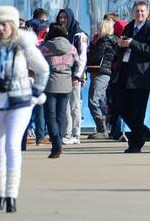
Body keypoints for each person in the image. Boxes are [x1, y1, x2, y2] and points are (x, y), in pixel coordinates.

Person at [0, 5, 50, 212]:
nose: (0, 28)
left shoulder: (24, 45)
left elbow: (43, 69)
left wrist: (35, 93)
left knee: (12, 145)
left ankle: (12, 195)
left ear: (13, 25)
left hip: (20, 102)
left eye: (4, 24)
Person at [117, 1, 150, 153]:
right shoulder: (129, 27)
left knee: (138, 111)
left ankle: (135, 144)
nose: (139, 14)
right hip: (126, 73)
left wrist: (133, 43)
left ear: (147, 13)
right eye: (137, 11)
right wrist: (121, 45)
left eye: (142, 11)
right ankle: (141, 130)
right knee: (120, 106)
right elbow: (123, 48)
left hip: (142, 76)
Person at [37, 23, 78, 159]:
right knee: (61, 115)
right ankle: (59, 140)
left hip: (49, 84)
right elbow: (78, 63)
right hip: (66, 85)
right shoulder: (71, 48)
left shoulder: (44, 48)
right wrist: (74, 75)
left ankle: (56, 144)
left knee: (50, 116)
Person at [54, 9, 87, 145]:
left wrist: (78, 75)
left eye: (65, 17)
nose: (62, 20)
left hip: (73, 74)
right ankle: (66, 133)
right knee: (65, 106)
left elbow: (82, 56)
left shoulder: (79, 35)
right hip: (62, 74)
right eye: (60, 17)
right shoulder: (60, 33)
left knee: (75, 105)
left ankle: (76, 134)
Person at [85, 18, 118, 138]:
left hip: (100, 71)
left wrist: (91, 48)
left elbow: (95, 56)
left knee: (93, 100)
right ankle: (107, 128)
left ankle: (102, 128)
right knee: (101, 100)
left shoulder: (103, 41)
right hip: (103, 72)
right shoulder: (111, 40)